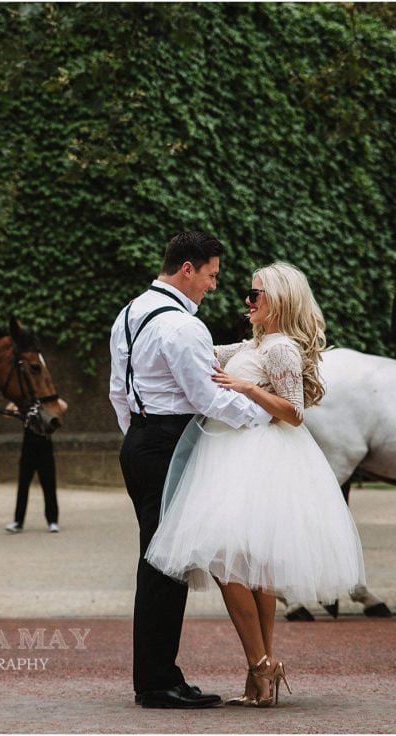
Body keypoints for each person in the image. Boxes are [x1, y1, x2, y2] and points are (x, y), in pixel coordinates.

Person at [145, 262, 366, 708]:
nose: (247, 301)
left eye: (256, 295)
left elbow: (294, 411)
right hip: (233, 452)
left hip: (258, 453)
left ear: (279, 300)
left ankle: (260, 665)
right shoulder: (255, 342)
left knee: (228, 564)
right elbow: (202, 354)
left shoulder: (281, 348)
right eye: (249, 294)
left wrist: (246, 388)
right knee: (252, 568)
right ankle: (263, 667)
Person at [108, 230, 272, 710]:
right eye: (211, 275)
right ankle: (158, 683)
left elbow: (118, 390)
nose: (214, 286)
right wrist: (263, 416)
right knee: (166, 564)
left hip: (142, 441)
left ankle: (159, 676)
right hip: (168, 444)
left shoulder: (130, 312)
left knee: (162, 560)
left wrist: (138, 435)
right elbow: (207, 398)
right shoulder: (183, 326)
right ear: (188, 269)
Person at [4, 399, 69, 534]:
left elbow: (63, 406)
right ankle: (18, 521)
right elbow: (7, 412)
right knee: (23, 486)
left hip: (45, 450)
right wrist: (16, 399)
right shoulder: (25, 404)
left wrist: (48, 397)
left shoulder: (47, 404)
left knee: (49, 486)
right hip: (28, 450)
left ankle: (52, 521)